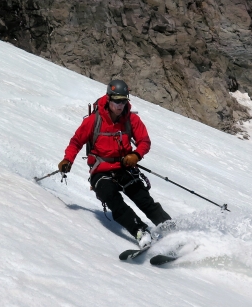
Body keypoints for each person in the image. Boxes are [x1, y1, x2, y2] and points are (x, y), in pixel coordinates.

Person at [58, 80, 171, 248]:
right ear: (108, 98)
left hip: (125, 166)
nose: (120, 105)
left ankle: (171, 230)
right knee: (113, 200)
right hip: (100, 170)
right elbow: (76, 142)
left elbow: (144, 141)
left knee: (143, 199)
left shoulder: (131, 119)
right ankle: (141, 232)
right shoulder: (93, 121)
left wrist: (136, 155)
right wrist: (68, 160)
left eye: (124, 100)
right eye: (117, 100)